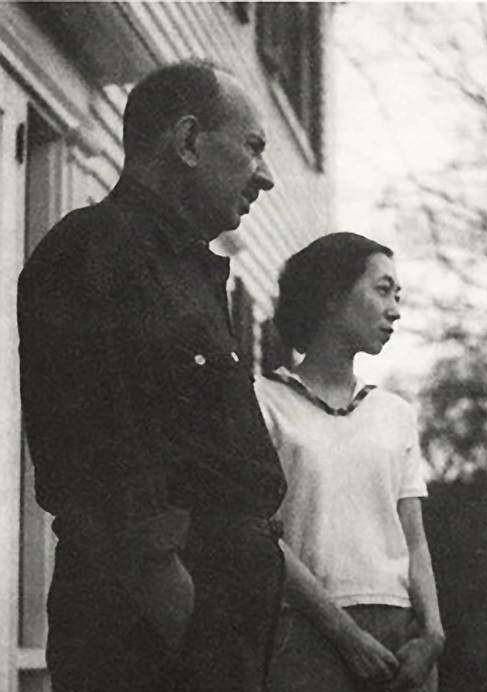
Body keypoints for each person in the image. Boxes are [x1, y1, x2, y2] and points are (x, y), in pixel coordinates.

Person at [17, 60, 288, 692]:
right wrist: (193, 628)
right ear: (188, 140)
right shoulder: (96, 249)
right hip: (155, 641)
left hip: (211, 631)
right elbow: (100, 463)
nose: (267, 176)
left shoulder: (186, 270)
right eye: (252, 148)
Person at [255, 232, 445, 691]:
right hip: (306, 635)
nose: (395, 310)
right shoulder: (263, 402)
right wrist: (346, 636)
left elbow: (415, 541)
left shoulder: (395, 414)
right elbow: (261, 535)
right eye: (383, 290)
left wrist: (433, 636)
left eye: (398, 296)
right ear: (331, 295)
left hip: (403, 643)